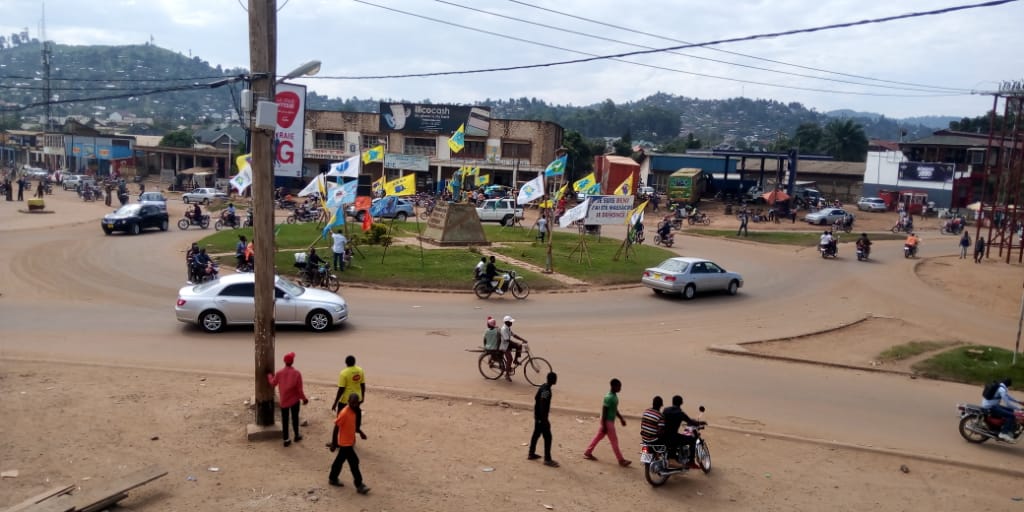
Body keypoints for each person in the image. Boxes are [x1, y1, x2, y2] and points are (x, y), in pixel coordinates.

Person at [328, 393, 371, 494]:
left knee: (339, 461)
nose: (354, 405)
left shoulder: (354, 411)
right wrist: (334, 443)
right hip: (344, 443)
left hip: (349, 442)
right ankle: (359, 485)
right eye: (352, 403)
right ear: (348, 402)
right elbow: (336, 427)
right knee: (354, 462)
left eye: (356, 403)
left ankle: (332, 478)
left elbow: (353, 426)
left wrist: (361, 433)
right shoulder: (344, 413)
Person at [583, 378, 631, 467]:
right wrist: (605, 425)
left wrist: (621, 419)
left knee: (598, 437)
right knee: (614, 441)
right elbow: (604, 411)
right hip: (607, 421)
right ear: (614, 386)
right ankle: (621, 460)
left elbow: (614, 409)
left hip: (607, 421)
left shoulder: (614, 396)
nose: (620, 388)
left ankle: (588, 452)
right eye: (619, 386)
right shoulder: (609, 397)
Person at [266, 352, 309, 447]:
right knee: (295, 418)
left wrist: (269, 376)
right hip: (294, 400)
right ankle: (296, 435)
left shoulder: (279, 373)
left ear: (284, 362)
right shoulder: (297, 373)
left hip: (284, 400)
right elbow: (300, 390)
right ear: (293, 362)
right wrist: (304, 399)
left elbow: (273, 383)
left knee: (284, 420)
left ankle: (286, 439)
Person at [330, 355, 367, 451]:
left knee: (339, 422)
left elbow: (341, 389)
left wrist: (335, 402)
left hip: (347, 400)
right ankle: (352, 440)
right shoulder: (360, 370)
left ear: (346, 363)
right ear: (354, 362)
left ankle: (334, 443)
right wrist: (362, 397)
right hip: (357, 400)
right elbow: (363, 385)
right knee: (354, 421)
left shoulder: (344, 373)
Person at [641, 396, 682, 469]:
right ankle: (671, 460)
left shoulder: (646, 411)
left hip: (644, 438)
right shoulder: (660, 416)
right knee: (670, 441)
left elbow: (643, 425)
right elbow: (660, 432)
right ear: (661, 405)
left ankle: (656, 455)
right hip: (653, 440)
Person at [662, 395, 704, 467]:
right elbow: (691, 422)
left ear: (672, 402)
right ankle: (691, 462)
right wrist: (701, 423)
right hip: (673, 437)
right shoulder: (680, 413)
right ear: (681, 403)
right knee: (692, 440)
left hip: (663, 435)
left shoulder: (665, 410)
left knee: (679, 437)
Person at [528, 372, 559, 467]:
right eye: (555, 378)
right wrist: (544, 420)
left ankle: (531, 453)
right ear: (552, 380)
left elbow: (536, 398)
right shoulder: (546, 391)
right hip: (542, 418)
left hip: (538, 417)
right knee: (548, 437)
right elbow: (543, 404)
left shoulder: (543, 387)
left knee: (536, 435)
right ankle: (547, 459)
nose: (556, 380)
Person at [499, 315, 526, 381]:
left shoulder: (508, 328)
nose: (511, 323)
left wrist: (522, 339)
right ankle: (507, 375)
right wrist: (515, 343)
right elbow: (507, 340)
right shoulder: (504, 329)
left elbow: (514, 335)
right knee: (509, 359)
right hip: (504, 346)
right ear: (506, 322)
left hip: (508, 344)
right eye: (510, 322)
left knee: (519, 346)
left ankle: (516, 360)